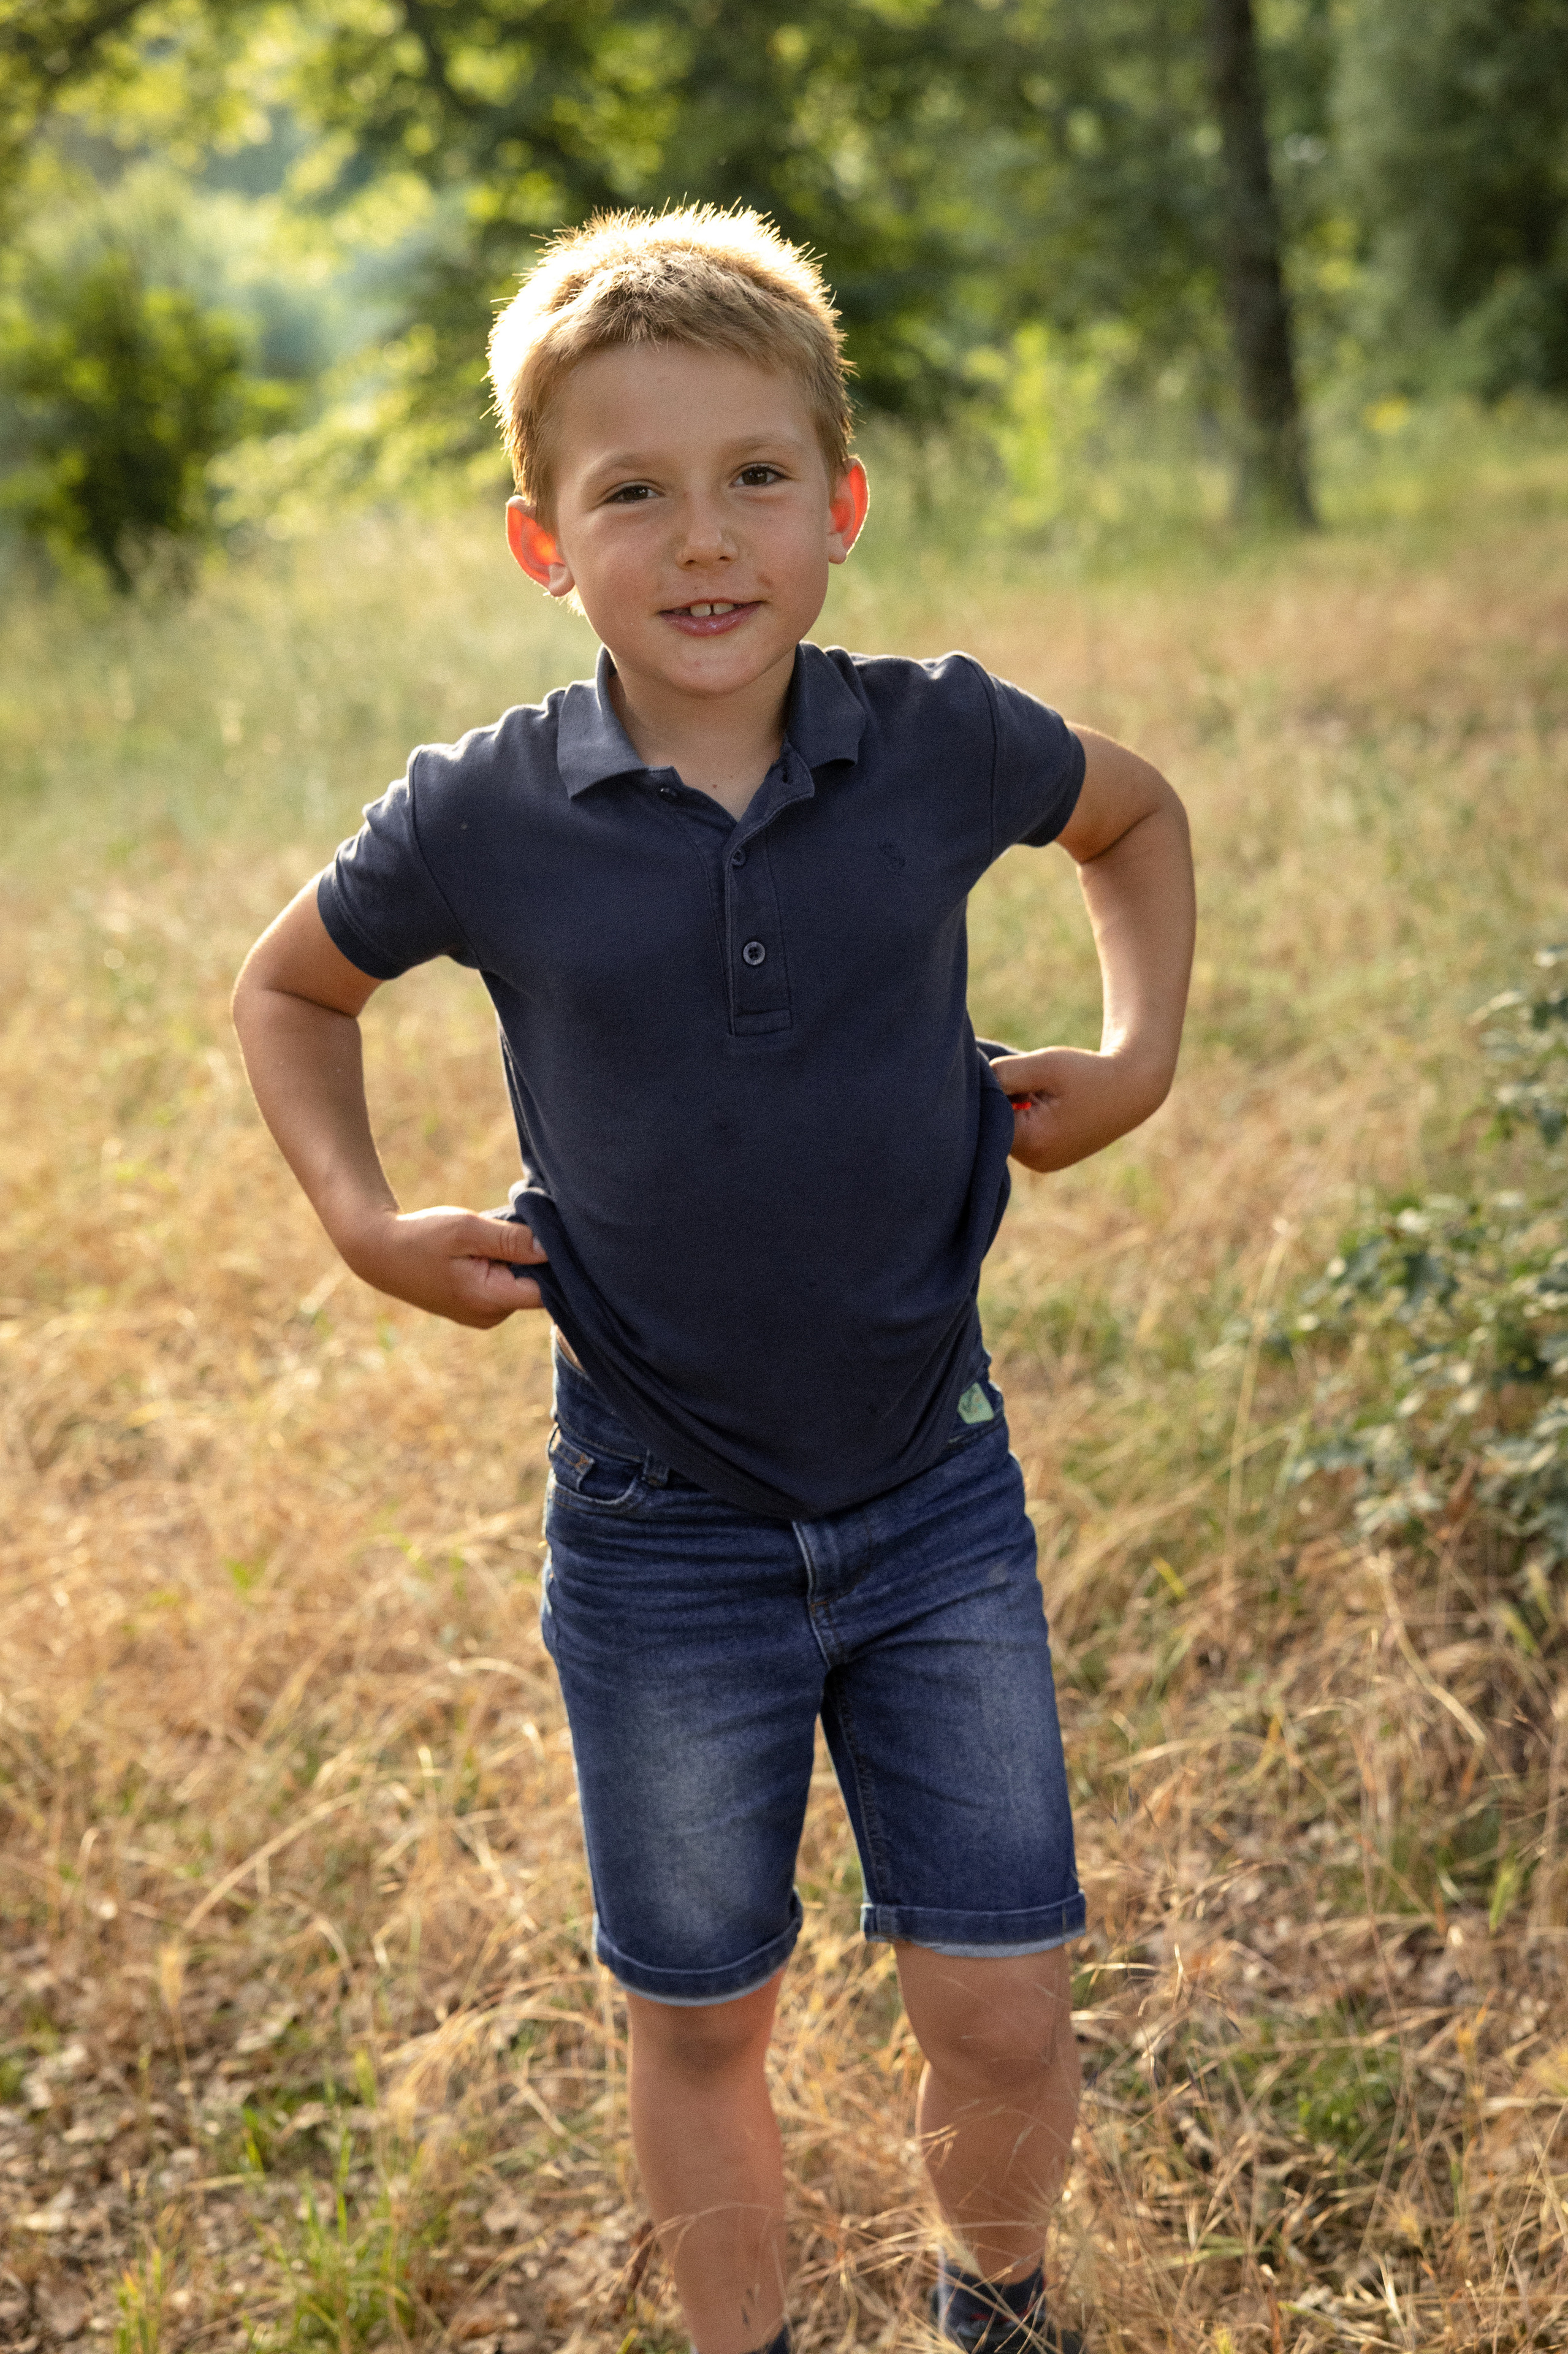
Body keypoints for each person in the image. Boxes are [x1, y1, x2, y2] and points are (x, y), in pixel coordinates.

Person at [232, 206, 1194, 2354]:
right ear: (538, 542)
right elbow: (289, 994)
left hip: (934, 1494)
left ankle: (1000, 2301)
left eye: (757, 476)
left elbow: (1132, 823)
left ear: (841, 506)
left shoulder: (939, 742)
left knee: (1005, 2003)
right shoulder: (486, 811)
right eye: (631, 492)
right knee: (703, 2013)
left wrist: (1134, 1059)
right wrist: (366, 1226)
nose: (703, 540)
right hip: (661, 1530)